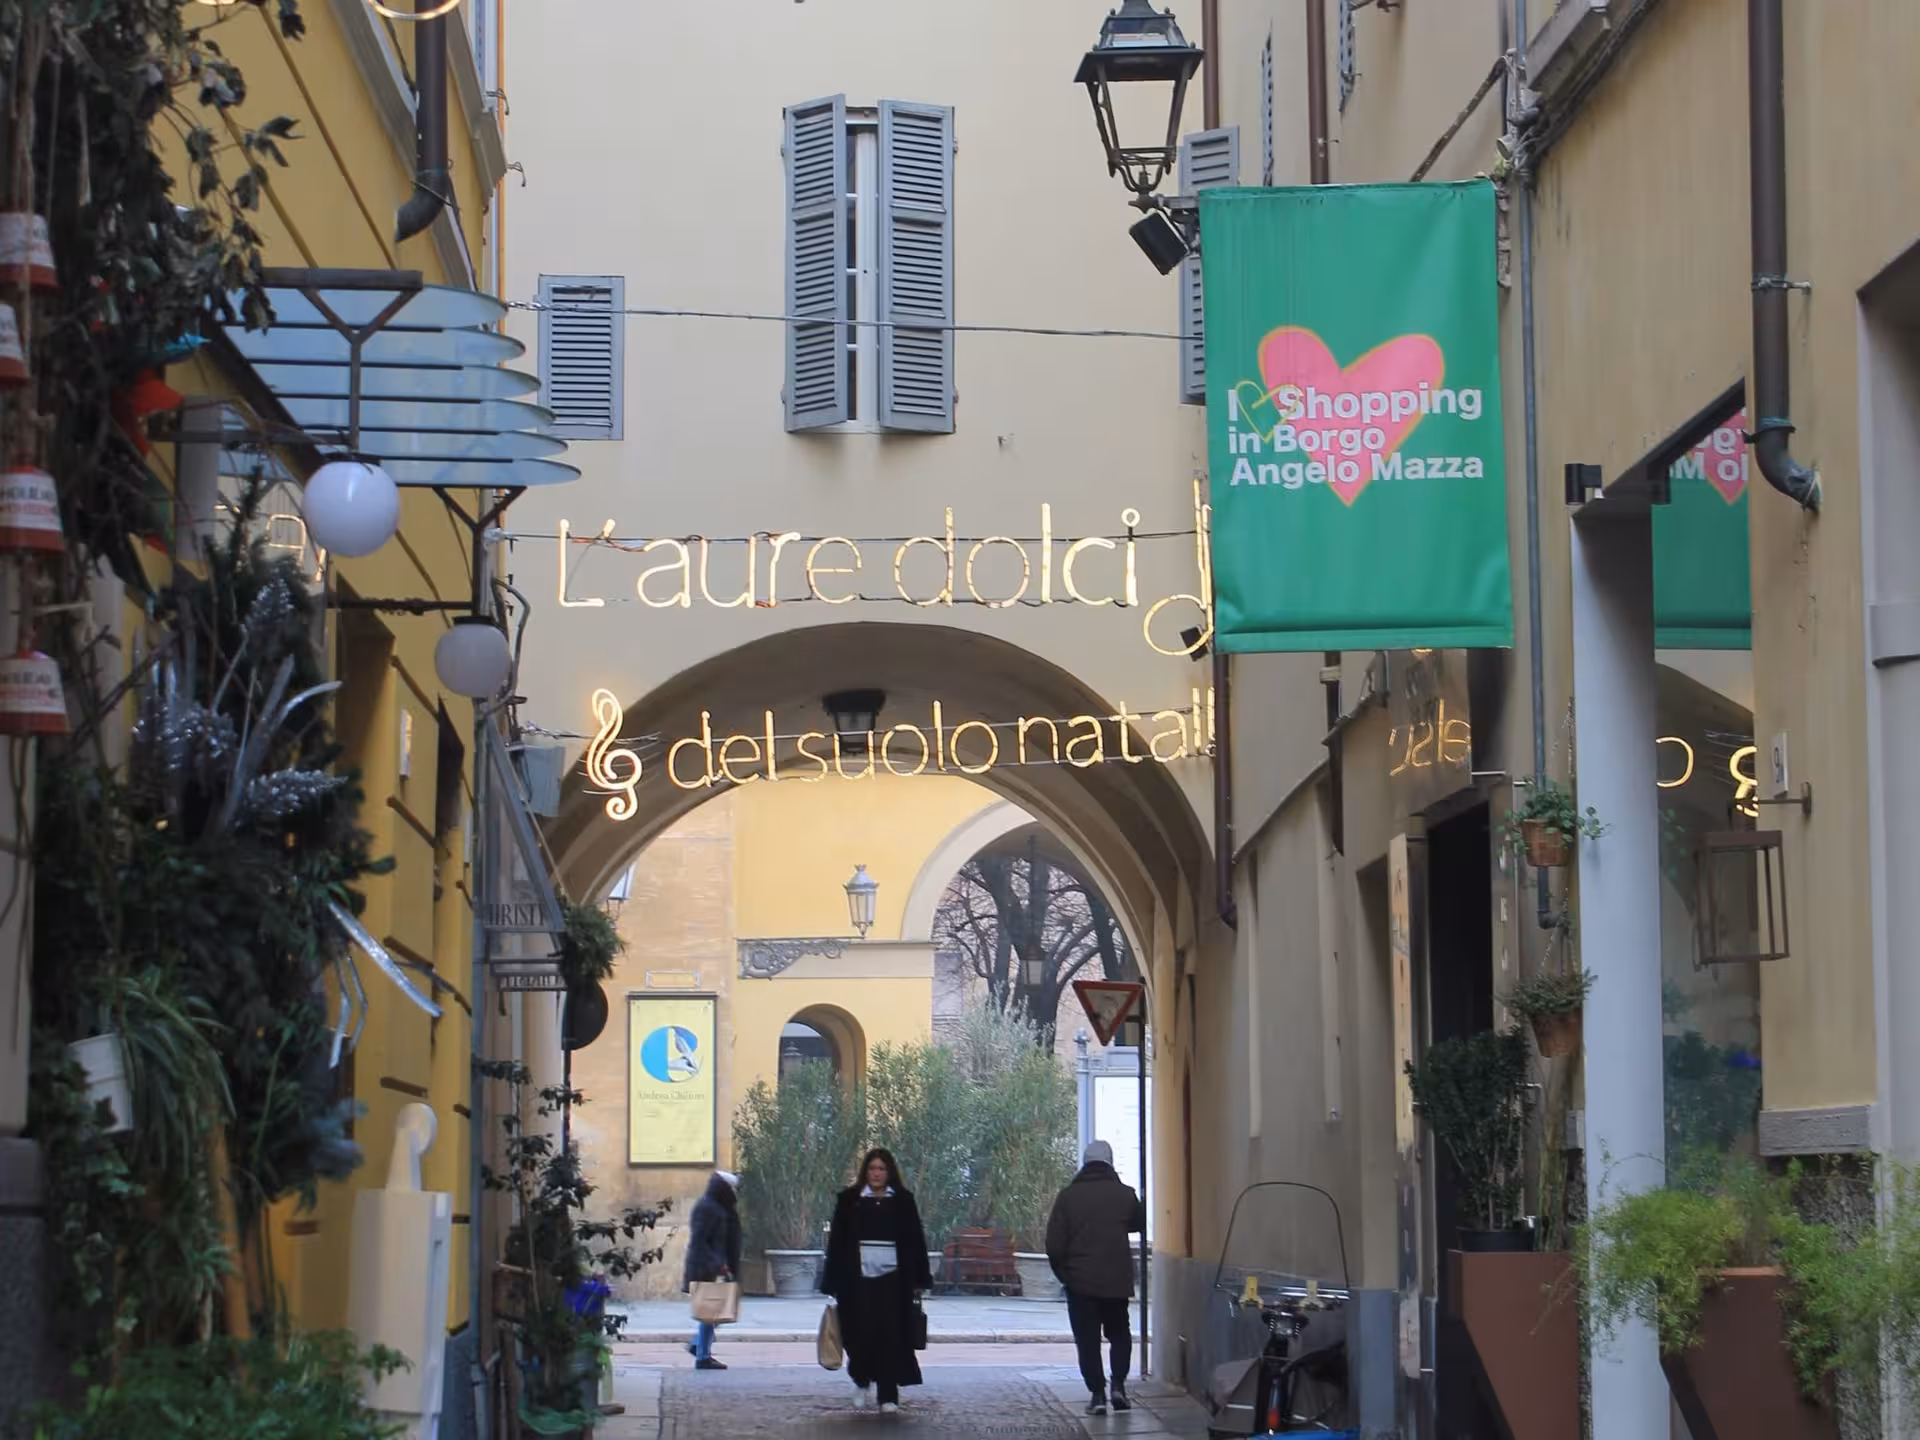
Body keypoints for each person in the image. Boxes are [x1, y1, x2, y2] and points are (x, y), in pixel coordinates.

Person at [823, 1148, 934, 1414]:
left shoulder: (903, 1201)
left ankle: (888, 1394)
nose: (876, 1173)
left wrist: (919, 1278)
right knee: (858, 1333)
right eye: (872, 1168)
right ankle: (861, 1380)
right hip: (857, 1280)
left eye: (881, 1169)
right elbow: (837, 1242)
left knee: (891, 1336)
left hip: (893, 1281)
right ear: (865, 1171)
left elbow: (915, 1240)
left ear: (889, 1172)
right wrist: (833, 1280)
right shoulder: (850, 1200)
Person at [1046, 1139, 1146, 1416]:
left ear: (1085, 1163)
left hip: (1080, 1283)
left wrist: (1065, 1276)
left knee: (1087, 1340)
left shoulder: (1067, 1196)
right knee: (1119, 1335)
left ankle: (1098, 1394)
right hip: (1116, 1281)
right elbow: (1138, 1224)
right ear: (1110, 1162)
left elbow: (1054, 1245)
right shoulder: (1125, 1194)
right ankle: (1119, 1387)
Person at [683, 1168, 743, 1371]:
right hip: (709, 1267)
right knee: (711, 1311)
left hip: (716, 1265)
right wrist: (716, 1264)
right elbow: (701, 1240)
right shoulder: (709, 1207)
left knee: (716, 1310)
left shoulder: (719, 1206)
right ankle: (702, 1355)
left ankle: (698, 1345)